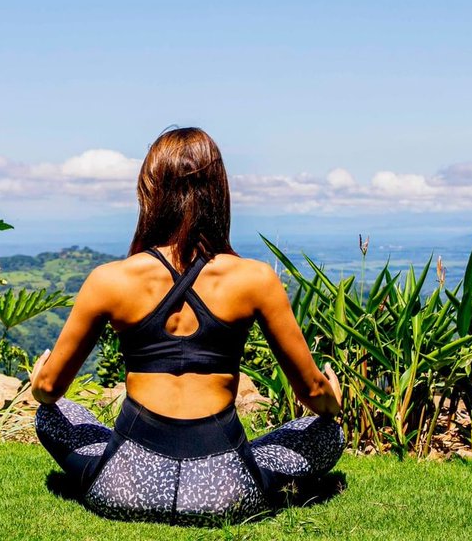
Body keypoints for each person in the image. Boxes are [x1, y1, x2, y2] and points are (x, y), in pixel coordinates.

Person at [30, 127, 345, 525]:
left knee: (51, 415)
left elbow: (48, 392)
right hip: (225, 492)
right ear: (219, 192)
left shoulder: (109, 280)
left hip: (126, 487)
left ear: (149, 192)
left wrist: (39, 379)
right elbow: (313, 393)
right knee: (329, 432)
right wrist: (332, 401)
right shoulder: (256, 279)